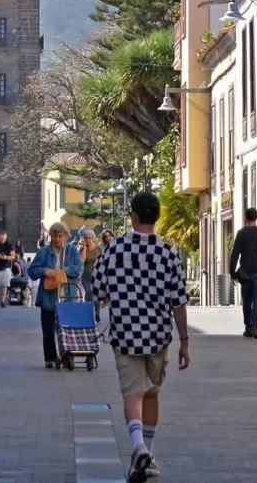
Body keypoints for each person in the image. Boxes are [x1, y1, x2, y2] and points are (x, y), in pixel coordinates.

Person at [93, 192, 190, 483]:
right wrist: (185, 341)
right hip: (158, 335)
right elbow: (178, 301)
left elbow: (98, 289)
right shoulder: (168, 252)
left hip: (126, 333)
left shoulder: (114, 248)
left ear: (134, 216)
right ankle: (148, 452)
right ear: (157, 217)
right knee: (151, 393)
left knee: (132, 393)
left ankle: (138, 448)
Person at [26, 222, 83, 369]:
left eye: (60, 236)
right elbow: (31, 271)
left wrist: (64, 271)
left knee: (67, 329)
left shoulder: (72, 250)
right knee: (48, 329)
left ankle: (67, 356)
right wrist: (44, 271)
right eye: (54, 236)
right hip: (48, 296)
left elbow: (79, 269)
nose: (57, 239)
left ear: (66, 236)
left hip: (67, 295)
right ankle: (50, 357)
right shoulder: (44, 251)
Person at [229, 207, 257, 339]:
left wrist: (232, 273)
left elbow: (235, 254)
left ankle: (248, 327)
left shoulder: (241, 233)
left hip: (245, 272)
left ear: (246, 218)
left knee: (247, 301)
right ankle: (254, 327)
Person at [79, 231, 103, 322]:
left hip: (97, 275)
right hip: (86, 275)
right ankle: (88, 314)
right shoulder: (82, 249)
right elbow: (82, 260)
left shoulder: (98, 248)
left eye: (90, 238)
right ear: (84, 239)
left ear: (93, 238)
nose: (88, 240)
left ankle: (97, 314)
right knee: (88, 293)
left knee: (96, 294)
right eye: (86, 238)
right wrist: (84, 248)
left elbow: (103, 260)